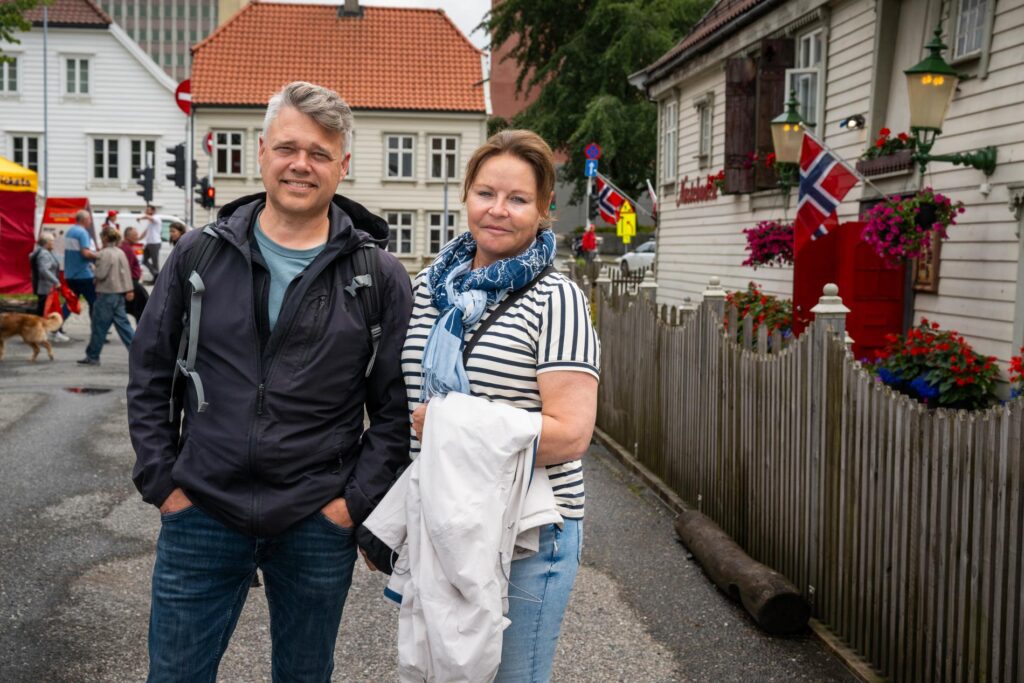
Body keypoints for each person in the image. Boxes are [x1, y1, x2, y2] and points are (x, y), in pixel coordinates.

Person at [126, 81, 412, 682]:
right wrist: (163, 483)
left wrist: (349, 505)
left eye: (319, 153)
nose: (301, 164)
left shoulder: (377, 275)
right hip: (200, 510)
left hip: (315, 518)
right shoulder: (199, 255)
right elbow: (150, 371)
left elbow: (395, 408)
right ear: (261, 152)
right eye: (287, 147)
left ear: (343, 166)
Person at [401, 129, 600, 681]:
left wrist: (447, 425)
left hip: (529, 531)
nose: (498, 210)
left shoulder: (556, 299)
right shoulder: (429, 290)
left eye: (517, 199)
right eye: (486, 193)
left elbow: (571, 433)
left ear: (542, 212)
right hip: (443, 518)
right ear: (467, 195)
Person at [78, 227, 134, 365]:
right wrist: (129, 290)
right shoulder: (120, 252)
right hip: (119, 293)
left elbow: (101, 274)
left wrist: (93, 269)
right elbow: (126, 272)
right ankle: (138, 354)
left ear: (105, 238)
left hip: (106, 293)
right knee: (124, 327)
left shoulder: (103, 254)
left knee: (99, 326)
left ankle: (93, 356)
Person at [63, 210, 98, 317]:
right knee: (94, 302)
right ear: (84, 220)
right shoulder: (83, 233)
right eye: (89, 219)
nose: (90, 222)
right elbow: (85, 253)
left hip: (70, 274)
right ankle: (97, 328)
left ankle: (56, 327)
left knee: (71, 302)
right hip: (83, 274)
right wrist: (100, 255)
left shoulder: (70, 231)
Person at [120, 227, 148, 321]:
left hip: (131, 282)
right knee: (143, 306)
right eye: (135, 235)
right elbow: (126, 269)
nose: (137, 237)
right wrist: (129, 289)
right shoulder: (127, 249)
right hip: (131, 283)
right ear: (128, 237)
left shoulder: (127, 247)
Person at [139, 204, 162, 280]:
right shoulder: (149, 221)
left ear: (153, 210)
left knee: (155, 262)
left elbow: (149, 217)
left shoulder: (156, 218)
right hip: (149, 243)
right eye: (146, 210)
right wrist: (138, 239)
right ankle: (155, 274)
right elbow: (145, 232)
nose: (147, 211)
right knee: (144, 260)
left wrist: (141, 217)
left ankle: (156, 279)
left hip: (155, 243)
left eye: (148, 210)